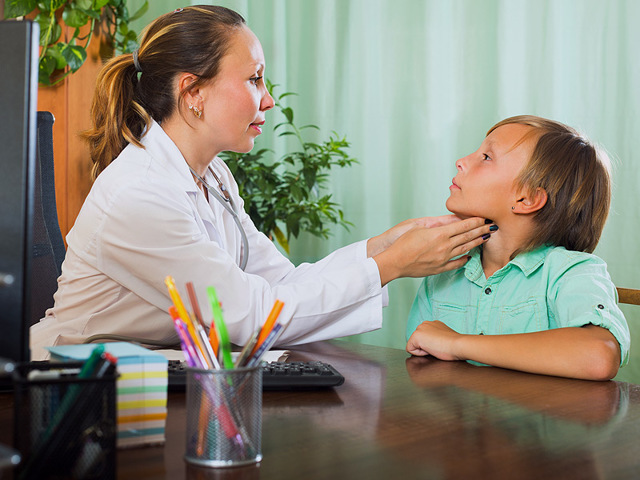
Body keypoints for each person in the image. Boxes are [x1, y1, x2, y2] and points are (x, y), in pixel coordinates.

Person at [30, 5, 495, 360]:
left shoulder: (212, 175)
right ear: (193, 93)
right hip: (69, 387)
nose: (268, 100)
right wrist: (391, 265)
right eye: (254, 79)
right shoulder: (138, 194)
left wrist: (385, 246)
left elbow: (278, 283)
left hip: (147, 373)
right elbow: (248, 318)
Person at [405, 115, 630, 381]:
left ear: (527, 198)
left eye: (487, 157)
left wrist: (456, 343)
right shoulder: (443, 273)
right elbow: (419, 365)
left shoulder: (571, 273)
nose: (461, 161)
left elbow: (598, 356)